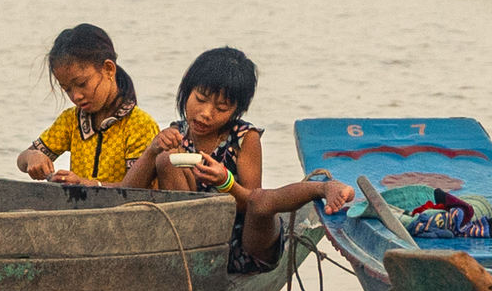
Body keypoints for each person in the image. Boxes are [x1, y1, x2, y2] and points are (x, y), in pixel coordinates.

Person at [121, 46, 355, 274]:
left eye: (221, 108)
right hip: (195, 245)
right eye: (200, 99)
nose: (206, 113)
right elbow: (125, 194)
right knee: (165, 160)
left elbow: (253, 206)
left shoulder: (244, 138)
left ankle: (323, 187)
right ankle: (194, 261)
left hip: (247, 245)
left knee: (261, 199)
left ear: (236, 111)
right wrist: (152, 151)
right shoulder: (176, 134)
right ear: (186, 88)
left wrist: (226, 182)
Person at [16, 24, 159, 186]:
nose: (76, 96)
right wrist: (32, 157)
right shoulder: (71, 120)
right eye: (67, 89)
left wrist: (89, 185)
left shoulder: (140, 125)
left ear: (108, 69)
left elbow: (138, 187)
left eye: (82, 84)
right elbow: (22, 159)